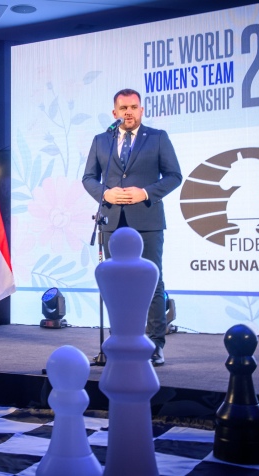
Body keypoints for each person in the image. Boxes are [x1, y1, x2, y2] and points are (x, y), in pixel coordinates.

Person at [82, 88, 182, 366]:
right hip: (111, 221)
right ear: (114, 112)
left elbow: (174, 176)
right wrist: (105, 193)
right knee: (115, 284)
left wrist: (146, 193)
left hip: (147, 220)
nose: (129, 112)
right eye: (123, 108)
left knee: (152, 281)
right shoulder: (101, 140)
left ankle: (155, 344)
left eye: (134, 107)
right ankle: (119, 341)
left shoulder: (158, 138)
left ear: (142, 110)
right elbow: (88, 177)